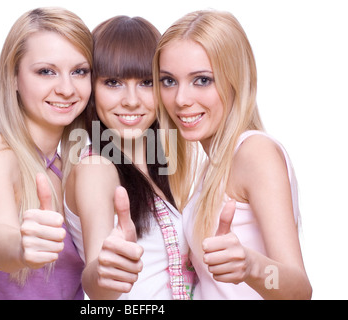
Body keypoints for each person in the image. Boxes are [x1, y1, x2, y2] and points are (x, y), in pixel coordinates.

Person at [153, 10, 312, 299]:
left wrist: (252, 266)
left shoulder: (254, 152)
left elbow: (298, 289)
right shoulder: (211, 167)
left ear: (235, 79)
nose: (181, 99)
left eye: (202, 80)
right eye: (168, 81)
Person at [0, 7, 92, 299]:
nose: (67, 89)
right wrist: (21, 247)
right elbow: (0, 238)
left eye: (79, 71)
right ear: (14, 78)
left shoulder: (67, 167)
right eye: (46, 71)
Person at [64, 16, 194, 300]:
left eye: (147, 82)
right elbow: (96, 283)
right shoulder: (95, 168)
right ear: (91, 89)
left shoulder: (167, 162)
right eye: (113, 82)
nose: (132, 100)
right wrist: (106, 270)